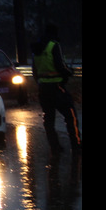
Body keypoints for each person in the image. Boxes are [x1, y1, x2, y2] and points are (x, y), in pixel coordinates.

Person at [32, 23, 81, 155]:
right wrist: (69, 72)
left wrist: (41, 83)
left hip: (43, 89)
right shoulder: (54, 45)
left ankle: (55, 147)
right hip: (57, 87)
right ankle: (76, 145)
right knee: (71, 116)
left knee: (49, 119)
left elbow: (34, 72)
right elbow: (60, 66)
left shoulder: (36, 49)